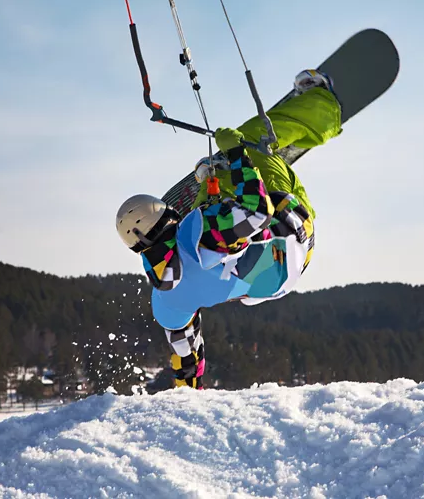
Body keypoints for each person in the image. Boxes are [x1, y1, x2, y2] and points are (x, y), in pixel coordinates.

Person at [116, 70, 342, 389]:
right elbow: (257, 212)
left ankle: (220, 180)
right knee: (253, 146)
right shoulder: (198, 231)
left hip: (273, 283)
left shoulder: (164, 299)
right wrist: (237, 154)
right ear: (167, 216)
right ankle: (324, 105)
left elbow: (187, 356)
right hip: (292, 232)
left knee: (222, 215)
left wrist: (188, 391)